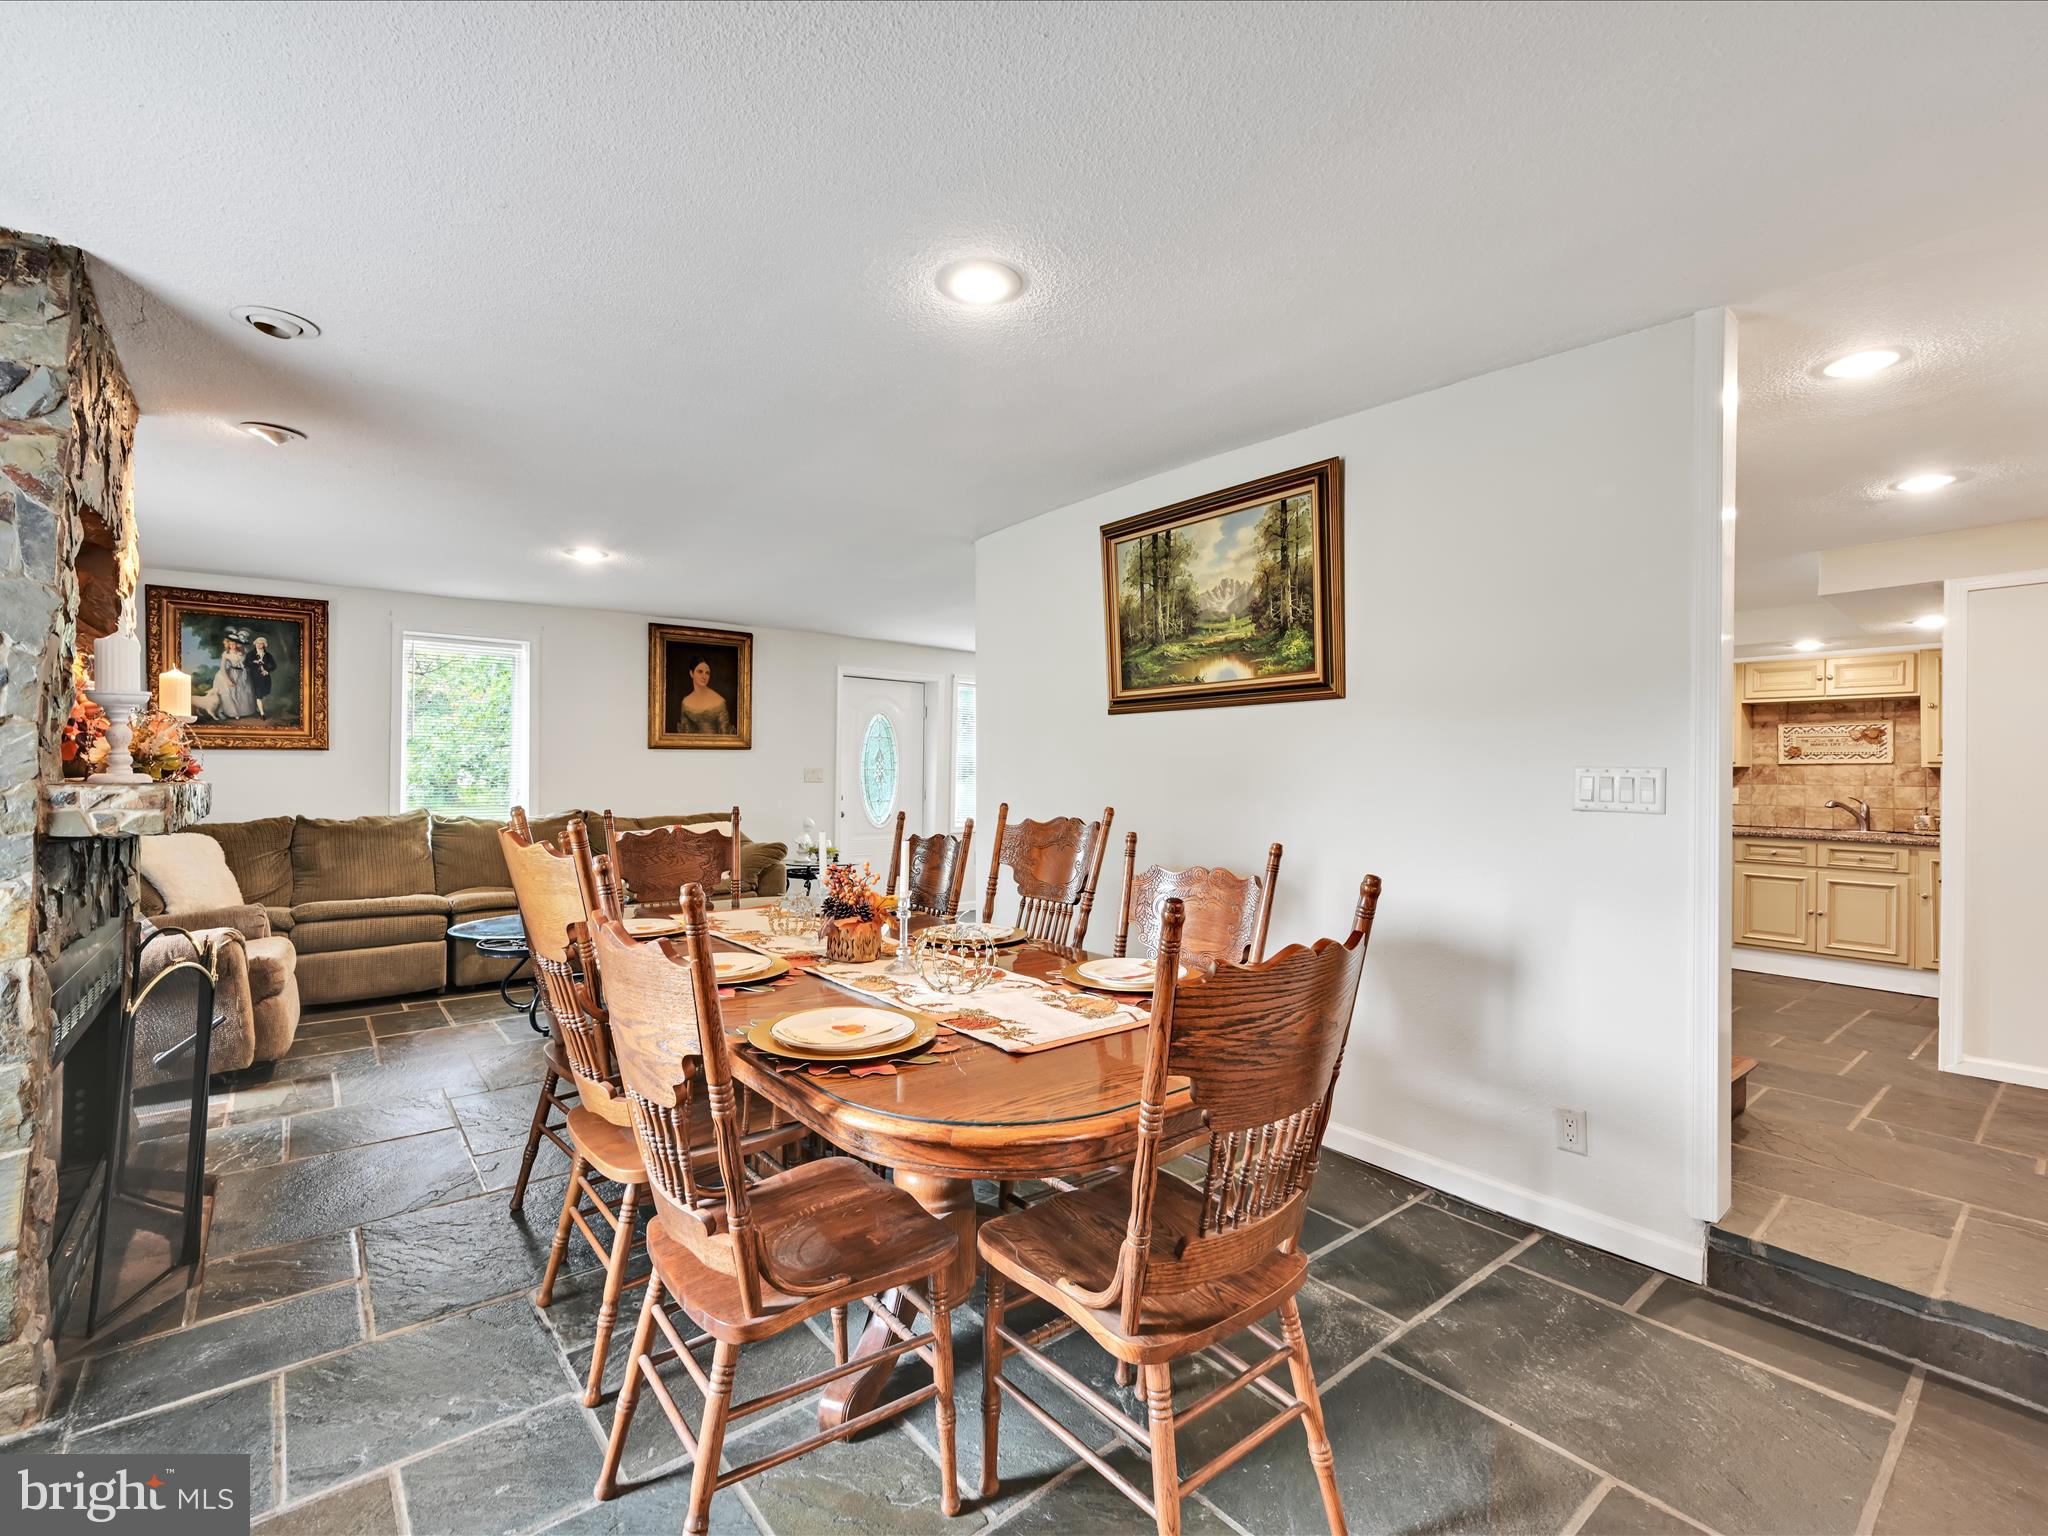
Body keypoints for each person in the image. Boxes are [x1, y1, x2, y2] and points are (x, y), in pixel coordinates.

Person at [195, 633, 258, 720]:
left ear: (238, 644)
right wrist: (228, 680)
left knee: (244, 693)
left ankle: (243, 711)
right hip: (230, 674)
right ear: (228, 644)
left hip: (242, 675)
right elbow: (223, 669)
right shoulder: (226, 654)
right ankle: (233, 712)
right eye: (230, 644)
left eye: (234, 644)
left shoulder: (244, 652)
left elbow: (248, 662)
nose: (232, 646)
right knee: (230, 693)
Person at [674, 657, 732, 734]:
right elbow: (685, 734)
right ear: (691, 673)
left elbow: (725, 735)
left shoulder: (719, 701)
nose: (704, 676)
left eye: (707, 673)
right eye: (700, 671)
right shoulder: (686, 702)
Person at [246, 634, 277, 717]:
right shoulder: (250, 654)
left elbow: (274, 666)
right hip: (255, 677)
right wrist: (254, 662)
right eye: (257, 643)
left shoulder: (268, 655)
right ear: (255, 644)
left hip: (265, 677)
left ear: (264, 644)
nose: (259, 645)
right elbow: (247, 663)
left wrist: (267, 671)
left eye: (261, 643)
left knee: (264, 693)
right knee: (258, 694)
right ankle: (262, 713)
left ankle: (259, 708)